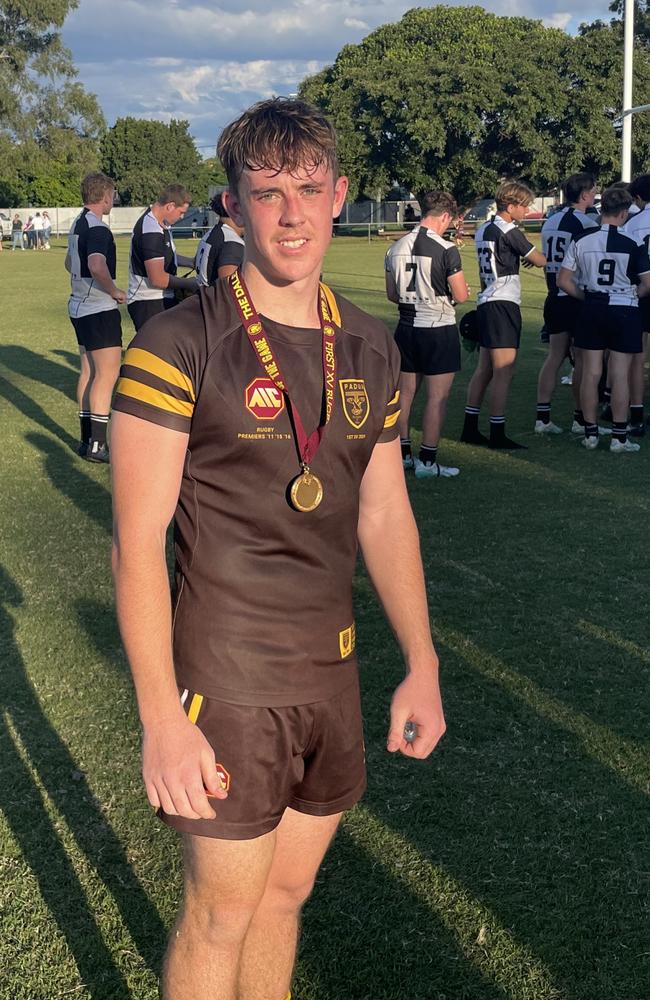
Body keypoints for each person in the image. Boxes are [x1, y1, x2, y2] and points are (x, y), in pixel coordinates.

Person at [111, 97, 446, 1000]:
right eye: (267, 193)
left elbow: (385, 514)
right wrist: (159, 718)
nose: (291, 214)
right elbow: (136, 540)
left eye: (307, 189)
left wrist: (421, 662)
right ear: (233, 205)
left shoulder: (370, 345)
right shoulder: (179, 341)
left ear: (339, 195)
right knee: (221, 913)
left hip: (329, 673)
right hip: (228, 681)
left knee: (286, 899)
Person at [558, 184, 650, 453]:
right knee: (619, 373)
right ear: (623, 213)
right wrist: (634, 293)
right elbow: (647, 284)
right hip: (624, 308)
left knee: (591, 371)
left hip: (593, 308)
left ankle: (591, 434)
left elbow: (564, 281)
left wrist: (587, 297)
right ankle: (620, 438)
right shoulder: (633, 243)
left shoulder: (582, 239)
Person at [385, 189, 469, 477]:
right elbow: (461, 294)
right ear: (444, 216)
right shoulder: (446, 249)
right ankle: (428, 461)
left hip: (405, 329)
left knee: (405, 396)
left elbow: (392, 294)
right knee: (437, 398)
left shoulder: (394, 248)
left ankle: (404, 455)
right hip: (437, 329)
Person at [460, 180, 546, 449]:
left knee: (485, 369)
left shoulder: (483, 227)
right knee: (504, 371)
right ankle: (497, 432)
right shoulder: (510, 230)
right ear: (510, 206)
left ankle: (470, 427)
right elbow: (541, 259)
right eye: (524, 206)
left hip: (486, 301)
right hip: (503, 303)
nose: (527, 210)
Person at [65, 172, 126, 463]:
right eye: (112, 195)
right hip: (98, 308)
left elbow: (69, 262)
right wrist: (113, 291)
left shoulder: (78, 223)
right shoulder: (98, 228)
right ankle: (97, 446)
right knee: (106, 374)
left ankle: (86, 439)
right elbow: (96, 264)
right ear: (104, 196)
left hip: (78, 305)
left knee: (88, 372)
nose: (113, 200)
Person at [536, 172, 599, 436]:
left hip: (553, 295)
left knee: (554, 357)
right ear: (584, 195)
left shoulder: (550, 221)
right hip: (574, 294)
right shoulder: (586, 222)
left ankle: (543, 417)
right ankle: (581, 418)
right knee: (583, 361)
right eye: (593, 191)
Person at [127, 184, 199, 332]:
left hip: (159, 299)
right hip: (148, 303)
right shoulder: (151, 229)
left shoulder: (160, 225)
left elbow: (164, 256)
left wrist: (191, 262)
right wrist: (189, 283)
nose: (182, 217)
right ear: (170, 206)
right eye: (181, 212)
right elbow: (157, 278)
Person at [621, 173, 650, 435]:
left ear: (639, 198)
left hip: (643, 290)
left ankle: (637, 414)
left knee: (637, 355)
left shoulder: (633, 222)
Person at [194, 191, 244, 287]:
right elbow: (229, 290)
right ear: (235, 210)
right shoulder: (231, 242)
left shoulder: (211, 233)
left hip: (205, 298)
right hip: (214, 301)